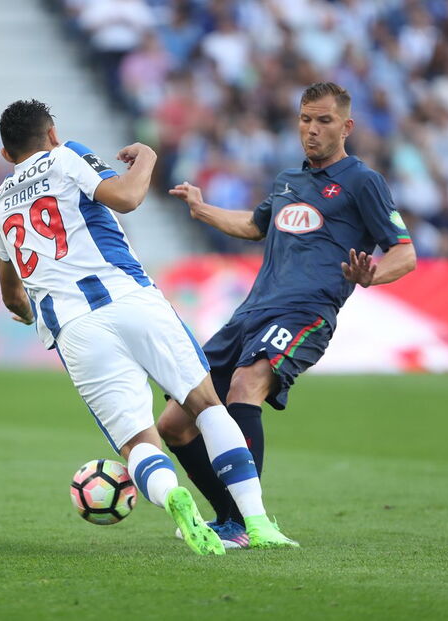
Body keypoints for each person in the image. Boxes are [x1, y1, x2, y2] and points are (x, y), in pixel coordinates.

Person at [0, 99, 299, 554]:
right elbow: (128, 197)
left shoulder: (0, 204)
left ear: (6, 154)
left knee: (138, 442)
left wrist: (27, 311)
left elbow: (12, 296)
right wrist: (149, 156)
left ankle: (173, 496)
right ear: (52, 134)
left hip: (74, 330)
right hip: (130, 297)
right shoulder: (65, 154)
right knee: (206, 405)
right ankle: (256, 522)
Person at [158, 82, 418, 549]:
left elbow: (405, 252)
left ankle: (245, 522)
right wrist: (201, 209)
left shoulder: (363, 181)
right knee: (174, 424)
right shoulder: (287, 181)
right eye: (305, 119)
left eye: (324, 120)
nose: (312, 129)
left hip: (306, 312)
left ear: (346, 126)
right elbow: (254, 225)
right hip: (250, 312)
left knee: (246, 385)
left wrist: (372, 275)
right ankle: (229, 518)